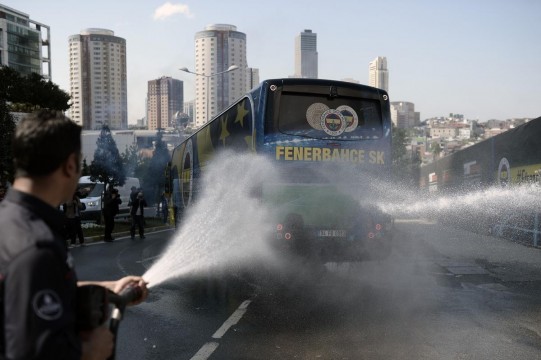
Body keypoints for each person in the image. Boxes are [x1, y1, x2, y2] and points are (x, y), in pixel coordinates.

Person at [0, 110, 148, 360]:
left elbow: (32, 293)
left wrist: (110, 289)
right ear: (70, 165)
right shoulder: (36, 248)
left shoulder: (10, 221)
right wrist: (89, 352)